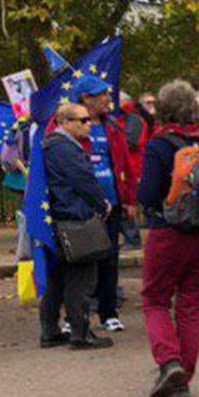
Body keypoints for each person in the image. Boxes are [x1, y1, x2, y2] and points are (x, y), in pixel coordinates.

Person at [137, 81, 199, 397]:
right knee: (190, 306)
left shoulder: (159, 146)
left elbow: (146, 196)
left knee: (155, 300)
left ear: (160, 110)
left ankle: (169, 362)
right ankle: (183, 380)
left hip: (168, 235)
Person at [40, 103, 113, 350]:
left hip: (60, 217)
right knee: (82, 277)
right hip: (74, 217)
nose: (88, 124)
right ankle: (80, 333)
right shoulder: (65, 148)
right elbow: (84, 180)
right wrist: (102, 203)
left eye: (89, 119)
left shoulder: (51, 145)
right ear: (65, 122)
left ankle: (50, 331)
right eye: (82, 120)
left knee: (59, 277)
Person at [73, 76, 138, 333]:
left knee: (110, 259)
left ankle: (108, 312)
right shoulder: (72, 128)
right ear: (86, 99)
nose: (107, 99)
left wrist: (130, 199)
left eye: (107, 95)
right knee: (84, 261)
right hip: (83, 207)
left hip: (111, 204)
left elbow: (126, 166)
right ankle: (79, 313)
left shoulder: (113, 126)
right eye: (101, 95)